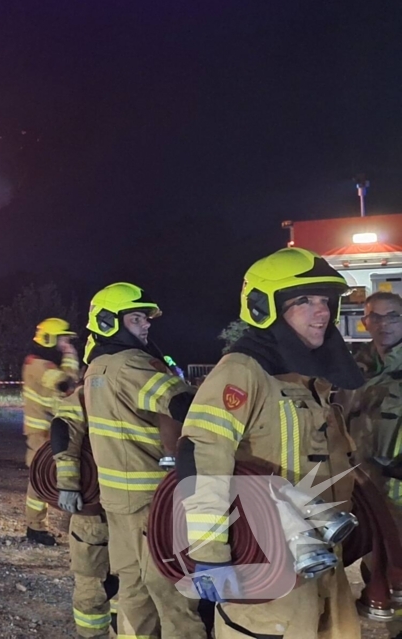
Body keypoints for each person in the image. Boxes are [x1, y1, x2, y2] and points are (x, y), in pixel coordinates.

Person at [179, 247, 365, 638]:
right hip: (265, 570)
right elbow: (202, 458)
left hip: (322, 561)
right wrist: (211, 555)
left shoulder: (308, 379)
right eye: (303, 301)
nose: (322, 312)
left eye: (325, 301)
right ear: (264, 307)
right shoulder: (243, 372)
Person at [82, 282, 205, 639]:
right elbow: (182, 405)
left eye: (146, 318)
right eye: (136, 318)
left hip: (118, 499)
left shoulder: (97, 368)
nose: (146, 325)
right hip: (152, 499)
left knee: (133, 588)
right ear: (109, 322)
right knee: (173, 589)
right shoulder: (132, 364)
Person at [347, 291, 402, 638]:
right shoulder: (353, 369)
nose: (383, 325)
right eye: (375, 317)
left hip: (400, 486)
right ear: (365, 322)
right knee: (375, 562)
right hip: (367, 486)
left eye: (392, 316)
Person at [53, 386, 118, 638]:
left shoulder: (88, 391)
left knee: (94, 580)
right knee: (131, 583)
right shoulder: (149, 378)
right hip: (131, 507)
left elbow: (64, 428)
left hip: (96, 508)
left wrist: (68, 485)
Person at [22, 317, 80, 545]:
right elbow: (66, 384)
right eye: (63, 338)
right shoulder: (37, 363)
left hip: (51, 431)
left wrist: (68, 355)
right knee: (40, 480)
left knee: (47, 478)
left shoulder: (46, 362)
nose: (66, 342)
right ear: (50, 339)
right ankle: (35, 528)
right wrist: (70, 354)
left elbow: (69, 381)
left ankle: (36, 527)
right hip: (42, 433)